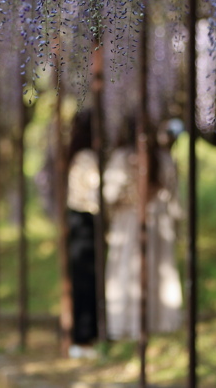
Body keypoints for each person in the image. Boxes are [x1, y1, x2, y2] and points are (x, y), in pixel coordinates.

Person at [103, 118, 183, 340]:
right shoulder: (165, 158)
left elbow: (109, 194)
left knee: (127, 270)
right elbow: (175, 198)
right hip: (159, 222)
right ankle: (159, 323)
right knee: (156, 270)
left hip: (129, 221)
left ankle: (127, 325)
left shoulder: (121, 158)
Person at [65, 110, 100, 356]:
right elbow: (96, 194)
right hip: (85, 222)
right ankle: (85, 338)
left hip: (76, 220)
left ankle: (83, 337)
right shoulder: (88, 157)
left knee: (82, 281)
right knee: (87, 282)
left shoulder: (75, 156)